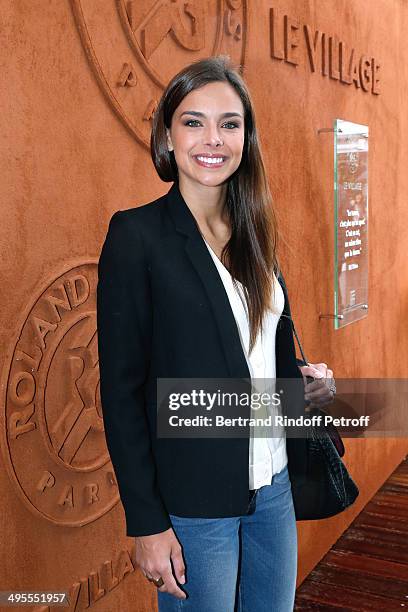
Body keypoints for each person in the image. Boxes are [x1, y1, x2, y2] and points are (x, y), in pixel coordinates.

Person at [96, 55, 335, 612]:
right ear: (168, 134)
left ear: (246, 137)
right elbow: (121, 393)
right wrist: (148, 524)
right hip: (193, 505)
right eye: (193, 120)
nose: (213, 139)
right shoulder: (138, 237)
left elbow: (253, 355)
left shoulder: (256, 234)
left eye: (229, 123)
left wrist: (299, 381)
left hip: (273, 488)